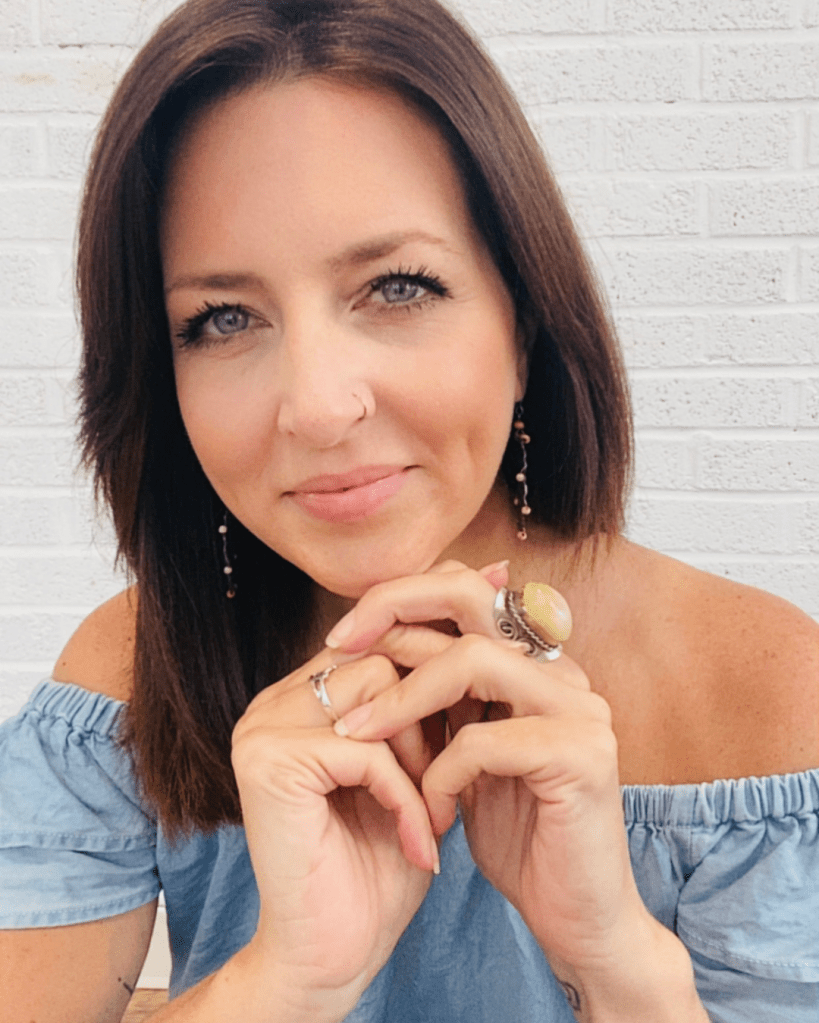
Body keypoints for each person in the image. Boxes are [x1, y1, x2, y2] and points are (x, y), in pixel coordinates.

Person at [1, 0, 818, 1020]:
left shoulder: (767, 694)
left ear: (524, 316)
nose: (316, 407)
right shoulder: (124, 682)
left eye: (396, 287)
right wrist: (281, 984)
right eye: (222, 318)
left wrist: (615, 959)